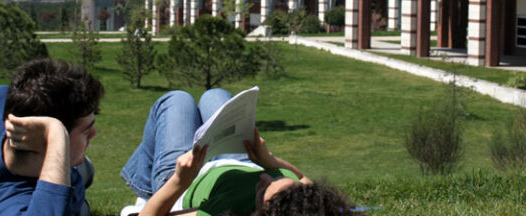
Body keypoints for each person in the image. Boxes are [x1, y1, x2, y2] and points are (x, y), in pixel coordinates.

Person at [120, 89, 352, 216]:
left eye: (263, 190)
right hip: (238, 158)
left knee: (175, 100)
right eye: (277, 178)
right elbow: (302, 178)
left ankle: (145, 189)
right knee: (215, 94)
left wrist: (179, 181)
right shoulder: (309, 204)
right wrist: (270, 160)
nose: (264, 177)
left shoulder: (225, 212)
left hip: (189, 175)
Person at [0, 59, 104, 216]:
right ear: (48, 143)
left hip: (54, 165)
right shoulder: (8, 204)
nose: (94, 133)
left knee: (83, 169)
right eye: (86, 130)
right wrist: (55, 132)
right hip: (62, 193)